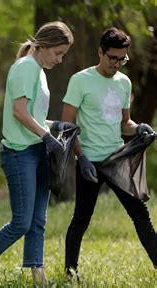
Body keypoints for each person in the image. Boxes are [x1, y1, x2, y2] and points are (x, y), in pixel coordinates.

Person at [0, 21, 75, 286]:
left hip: (37, 150)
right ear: (45, 45)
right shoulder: (25, 68)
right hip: (19, 154)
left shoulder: (39, 70)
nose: (60, 59)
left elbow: (34, 116)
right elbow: (19, 112)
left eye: (63, 54)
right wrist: (46, 135)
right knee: (22, 222)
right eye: (58, 53)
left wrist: (55, 126)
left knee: (39, 219)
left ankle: (39, 279)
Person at [62, 27, 157, 278]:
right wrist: (80, 158)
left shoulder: (124, 82)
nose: (116, 64)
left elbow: (124, 122)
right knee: (81, 219)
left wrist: (139, 129)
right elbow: (67, 127)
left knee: (140, 215)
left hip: (116, 159)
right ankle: (71, 273)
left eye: (122, 59)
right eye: (112, 58)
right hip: (89, 161)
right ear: (100, 52)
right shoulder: (80, 81)